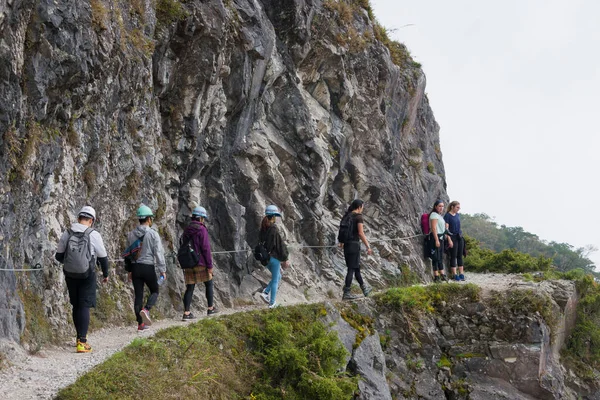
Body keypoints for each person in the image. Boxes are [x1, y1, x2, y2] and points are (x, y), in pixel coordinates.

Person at [55, 206, 109, 353]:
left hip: (70, 274)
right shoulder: (93, 234)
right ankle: (82, 342)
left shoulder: (67, 233)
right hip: (87, 274)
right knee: (84, 305)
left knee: (76, 305)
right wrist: (106, 274)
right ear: (91, 220)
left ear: (79, 218)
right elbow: (103, 256)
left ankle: (78, 338)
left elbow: (58, 256)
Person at [126, 204, 166, 331]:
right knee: (155, 290)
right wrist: (162, 269)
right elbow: (158, 252)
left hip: (136, 267)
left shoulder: (131, 235)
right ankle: (146, 309)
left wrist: (130, 270)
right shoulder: (153, 234)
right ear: (149, 219)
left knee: (138, 295)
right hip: (148, 267)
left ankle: (140, 324)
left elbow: (129, 253)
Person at [181, 206, 218, 320]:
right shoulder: (202, 230)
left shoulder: (187, 229)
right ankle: (210, 308)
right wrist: (210, 266)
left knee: (190, 287)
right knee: (209, 283)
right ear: (201, 218)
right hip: (200, 262)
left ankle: (186, 313)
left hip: (188, 262)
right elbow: (206, 248)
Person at [339, 199, 373, 300]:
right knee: (351, 269)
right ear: (359, 207)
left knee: (356, 267)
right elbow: (360, 233)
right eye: (362, 207)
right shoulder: (358, 217)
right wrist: (368, 246)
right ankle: (347, 292)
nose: (362, 209)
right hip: (354, 245)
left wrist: (341, 242)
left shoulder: (347, 216)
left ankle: (364, 289)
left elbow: (342, 231)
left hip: (346, 246)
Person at [259, 205, 289, 309]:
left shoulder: (263, 228)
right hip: (274, 258)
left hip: (265, 259)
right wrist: (285, 259)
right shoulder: (273, 229)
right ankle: (272, 303)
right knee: (276, 279)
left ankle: (266, 292)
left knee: (278, 276)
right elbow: (280, 245)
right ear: (273, 216)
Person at [429, 200, 452, 283]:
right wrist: (436, 240)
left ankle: (442, 274)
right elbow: (434, 228)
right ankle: (436, 276)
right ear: (435, 207)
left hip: (441, 238)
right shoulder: (434, 215)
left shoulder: (439, 216)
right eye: (439, 206)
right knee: (435, 257)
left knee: (440, 257)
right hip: (436, 237)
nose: (441, 208)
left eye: (442, 206)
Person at [444, 201, 465, 281]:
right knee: (453, 256)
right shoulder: (447, 216)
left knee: (460, 255)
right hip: (452, 237)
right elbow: (446, 229)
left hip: (459, 236)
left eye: (459, 208)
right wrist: (449, 240)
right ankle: (455, 274)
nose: (458, 209)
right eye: (457, 207)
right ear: (452, 207)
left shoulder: (458, 215)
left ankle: (461, 273)